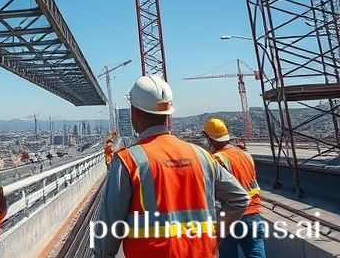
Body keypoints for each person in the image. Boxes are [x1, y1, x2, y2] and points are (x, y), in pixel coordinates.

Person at [95, 75, 250, 258]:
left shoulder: (129, 161)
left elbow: (109, 229)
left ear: (135, 113)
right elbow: (240, 199)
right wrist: (216, 236)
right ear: (168, 114)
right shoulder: (202, 156)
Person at [203, 118, 266, 258]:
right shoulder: (246, 155)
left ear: (210, 139)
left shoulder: (216, 159)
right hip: (253, 214)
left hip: (230, 216)